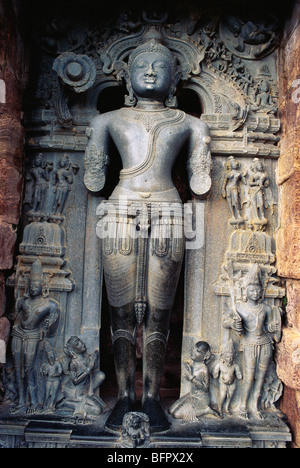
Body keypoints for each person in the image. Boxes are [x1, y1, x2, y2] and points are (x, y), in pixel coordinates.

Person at [84, 29, 212, 432]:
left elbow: (200, 181)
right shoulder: (108, 120)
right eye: (142, 65)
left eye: (161, 66)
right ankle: (123, 395)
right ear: (127, 76)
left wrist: (203, 148)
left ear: (176, 79)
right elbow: (93, 178)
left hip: (169, 215)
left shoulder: (189, 123)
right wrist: (93, 148)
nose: (152, 71)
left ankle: (153, 396)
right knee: (120, 308)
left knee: (159, 309)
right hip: (121, 211)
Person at [223, 264, 280, 420]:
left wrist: (273, 326)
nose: (255, 292)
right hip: (249, 344)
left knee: (260, 377)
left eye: (257, 290)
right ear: (245, 291)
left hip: (265, 344)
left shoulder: (266, 308)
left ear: (261, 292)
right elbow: (225, 321)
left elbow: (268, 326)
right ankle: (242, 405)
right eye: (251, 290)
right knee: (249, 376)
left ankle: (254, 405)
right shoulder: (239, 307)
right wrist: (233, 324)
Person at [11, 259, 60, 414]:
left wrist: (49, 324)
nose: (33, 288)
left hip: (33, 337)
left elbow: (54, 316)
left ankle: (34, 401)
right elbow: (13, 315)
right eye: (31, 285)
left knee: (29, 368)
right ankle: (21, 401)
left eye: (37, 285)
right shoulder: (22, 302)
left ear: (43, 287)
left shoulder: (49, 304)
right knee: (18, 369)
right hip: (18, 334)